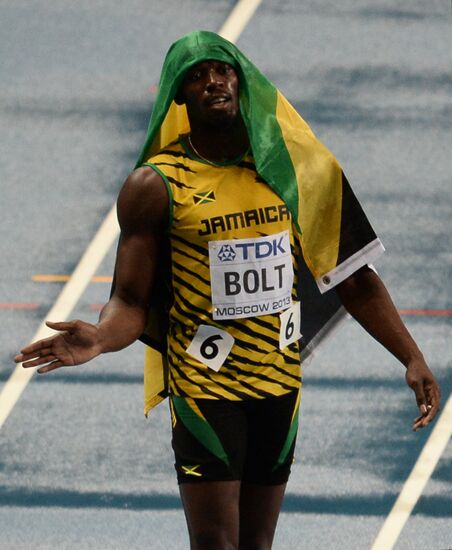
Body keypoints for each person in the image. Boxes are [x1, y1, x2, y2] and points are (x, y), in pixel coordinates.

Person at [15, 31, 440, 549]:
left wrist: (410, 356)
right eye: (196, 76)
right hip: (205, 385)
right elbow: (130, 301)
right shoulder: (155, 186)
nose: (213, 81)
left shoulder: (294, 170)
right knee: (217, 543)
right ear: (178, 95)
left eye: (223, 70)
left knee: (258, 543)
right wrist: (101, 338)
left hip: (280, 381)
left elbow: (352, 276)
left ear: (241, 80)